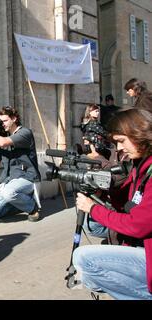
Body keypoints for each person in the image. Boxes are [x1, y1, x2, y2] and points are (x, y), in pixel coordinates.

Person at [73, 108, 152, 300]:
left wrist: (92, 208)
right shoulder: (141, 164)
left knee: (83, 259)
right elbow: (129, 201)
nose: (118, 148)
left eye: (122, 141)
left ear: (139, 132)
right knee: (89, 273)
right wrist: (104, 192)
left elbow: (137, 225)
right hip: (142, 247)